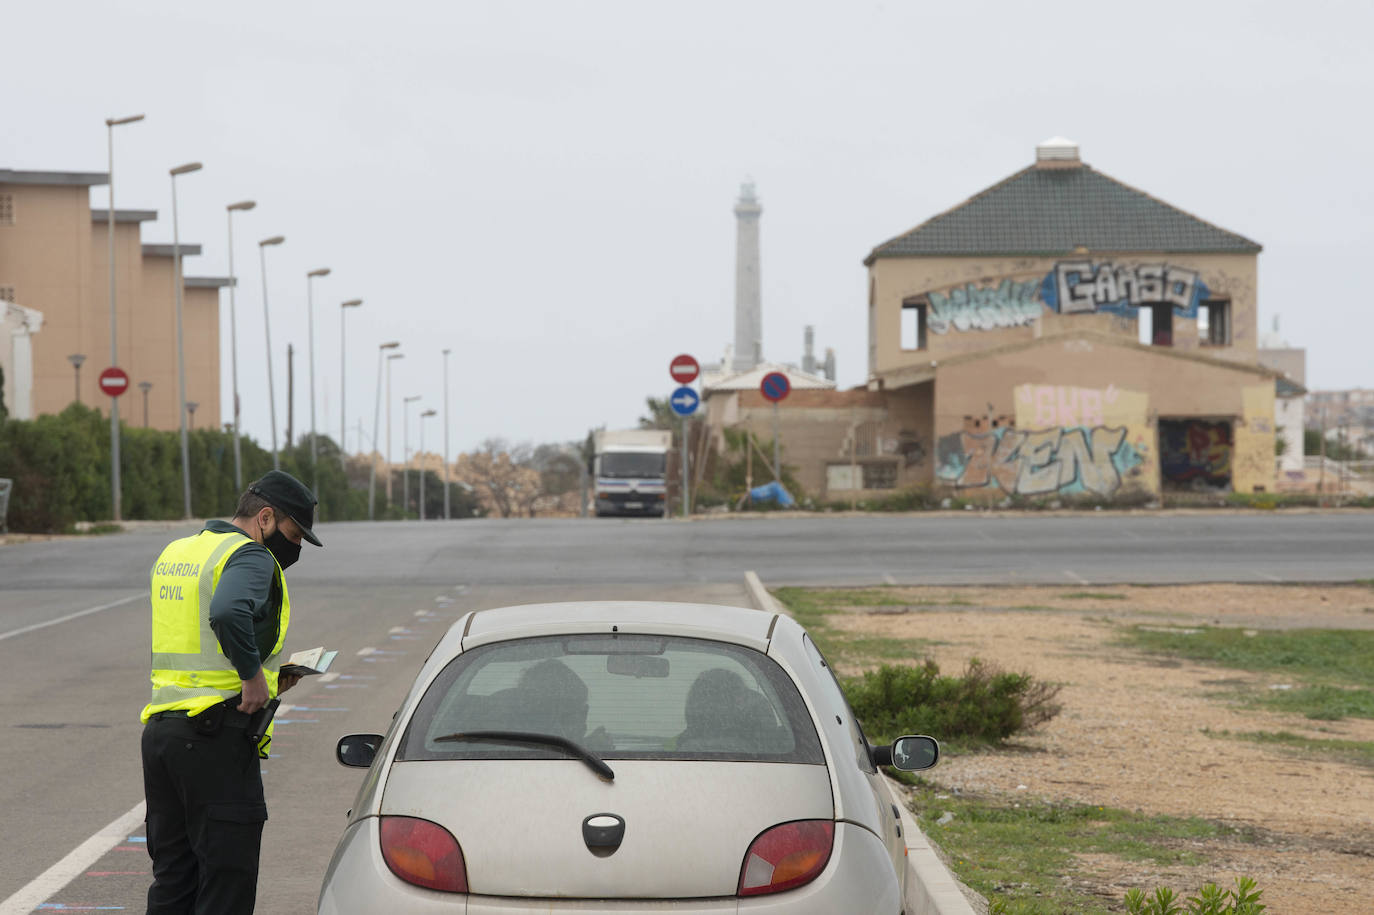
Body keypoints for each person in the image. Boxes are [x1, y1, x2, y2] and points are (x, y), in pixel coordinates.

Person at [139, 470, 323, 914]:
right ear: (265, 518)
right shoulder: (250, 557)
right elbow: (225, 612)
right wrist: (252, 676)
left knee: (174, 882)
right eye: (293, 533)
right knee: (226, 885)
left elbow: (197, 642)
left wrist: (269, 674)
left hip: (162, 736)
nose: (294, 548)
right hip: (213, 739)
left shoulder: (178, 551)